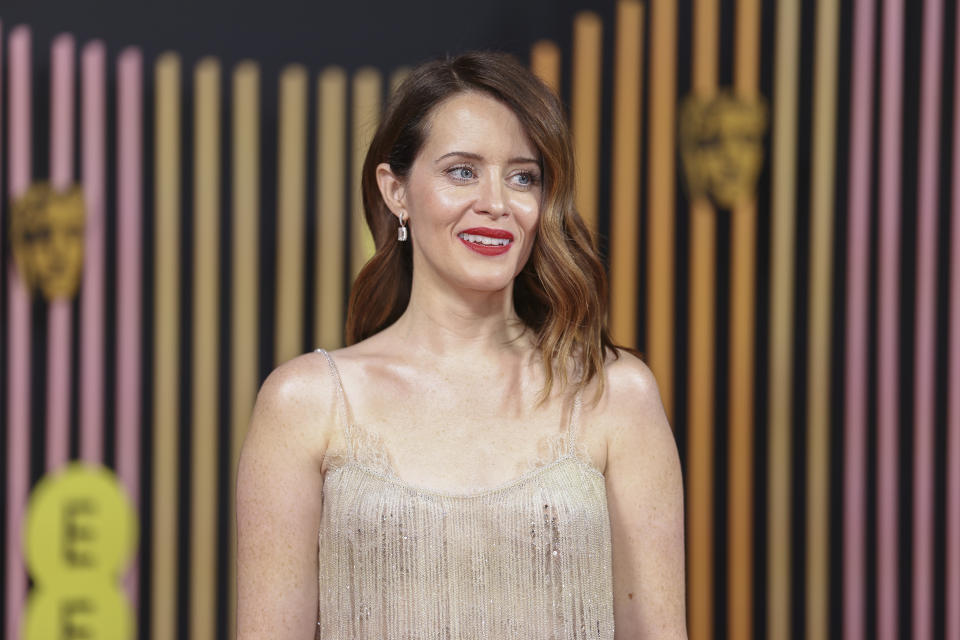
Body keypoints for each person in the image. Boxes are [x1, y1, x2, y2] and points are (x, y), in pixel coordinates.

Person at [236, 51, 686, 639]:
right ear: (396, 191)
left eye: (523, 176)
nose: (496, 203)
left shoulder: (613, 394)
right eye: (461, 171)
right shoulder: (306, 403)